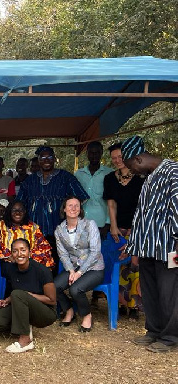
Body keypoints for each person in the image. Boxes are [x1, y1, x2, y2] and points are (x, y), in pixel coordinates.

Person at [120, 136, 178, 352]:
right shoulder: (149, 178)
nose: (131, 172)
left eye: (130, 167)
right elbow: (142, 215)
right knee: (150, 291)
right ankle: (154, 330)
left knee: (169, 292)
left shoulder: (173, 171)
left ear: (138, 159)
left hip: (168, 247)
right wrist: (134, 245)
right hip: (147, 247)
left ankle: (171, 337)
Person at [16, 146, 89, 268]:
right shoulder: (30, 180)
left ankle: (52, 285)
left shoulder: (66, 177)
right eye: (43, 157)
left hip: (58, 229)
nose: (46, 160)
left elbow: (80, 196)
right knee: (34, 263)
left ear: (54, 159)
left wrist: (69, 211)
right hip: (34, 230)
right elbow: (19, 203)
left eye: (49, 157)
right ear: (38, 160)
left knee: (53, 262)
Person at [0, 238, 57, 353]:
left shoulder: (42, 271)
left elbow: (52, 300)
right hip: (22, 306)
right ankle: (25, 325)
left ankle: (25, 341)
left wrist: (29, 295)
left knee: (19, 294)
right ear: (12, 254)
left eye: (23, 250)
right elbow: (14, 293)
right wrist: (6, 301)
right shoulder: (11, 269)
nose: (19, 254)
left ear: (29, 252)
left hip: (45, 312)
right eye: (15, 251)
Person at [103, 142, 145, 317]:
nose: (117, 160)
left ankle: (135, 306)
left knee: (135, 265)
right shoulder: (110, 179)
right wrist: (113, 226)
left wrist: (136, 229)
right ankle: (120, 304)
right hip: (118, 228)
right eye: (114, 158)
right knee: (119, 266)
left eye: (120, 156)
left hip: (138, 227)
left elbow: (144, 206)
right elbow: (111, 204)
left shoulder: (141, 177)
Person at [54, 196, 104, 332]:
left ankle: (87, 315)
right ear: (64, 209)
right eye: (70, 205)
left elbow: (95, 251)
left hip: (94, 268)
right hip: (74, 267)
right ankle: (69, 310)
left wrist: (79, 272)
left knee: (75, 289)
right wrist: (71, 271)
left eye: (77, 205)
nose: (73, 208)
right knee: (54, 286)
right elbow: (63, 254)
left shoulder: (90, 224)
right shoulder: (59, 230)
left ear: (80, 209)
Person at [0, 200, 53, 268]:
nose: (17, 212)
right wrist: (8, 255)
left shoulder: (33, 227)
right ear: (9, 212)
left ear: (24, 212)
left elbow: (43, 246)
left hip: (30, 263)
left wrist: (27, 258)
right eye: (14, 210)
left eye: (20, 210)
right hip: (8, 263)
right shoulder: (0, 226)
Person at [74, 141, 114, 237]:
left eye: (97, 153)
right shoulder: (79, 174)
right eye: (91, 153)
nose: (94, 155)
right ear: (87, 153)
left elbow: (112, 200)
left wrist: (108, 224)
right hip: (81, 222)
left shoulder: (110, 173)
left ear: (101, 153)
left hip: (102, 223)